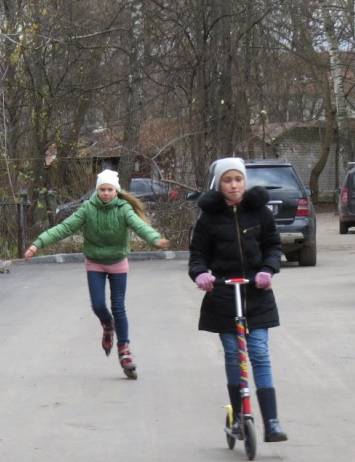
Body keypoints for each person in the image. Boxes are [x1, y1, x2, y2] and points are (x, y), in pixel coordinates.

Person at [24, 169, 170, 378]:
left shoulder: (124, 208)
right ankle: (107, 324)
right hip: (95, 262)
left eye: (110, 189)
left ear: (116, 191)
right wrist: (37, 244)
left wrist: (155, 239)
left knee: (118, 306)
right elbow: (64, 228)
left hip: (118, 261)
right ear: (97, 190)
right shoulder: (87, 208)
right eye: (102, 189)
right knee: (99, 305)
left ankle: (124, 349)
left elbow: (139, 226)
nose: (106, 193)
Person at [188, 157, 288, 441]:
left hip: (256, 295)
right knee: (234, 355)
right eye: (228, 180)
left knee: (259, 353)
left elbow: (272, 245)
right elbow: (197, 256)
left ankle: (272, 422)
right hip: (223, 296)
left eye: (238, 180)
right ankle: (239, 417)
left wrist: (268, 270)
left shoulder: (259, 212)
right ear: (219, 185)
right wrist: (201, 275)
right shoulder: (208, 218)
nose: (234, 185)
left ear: (245, 181)